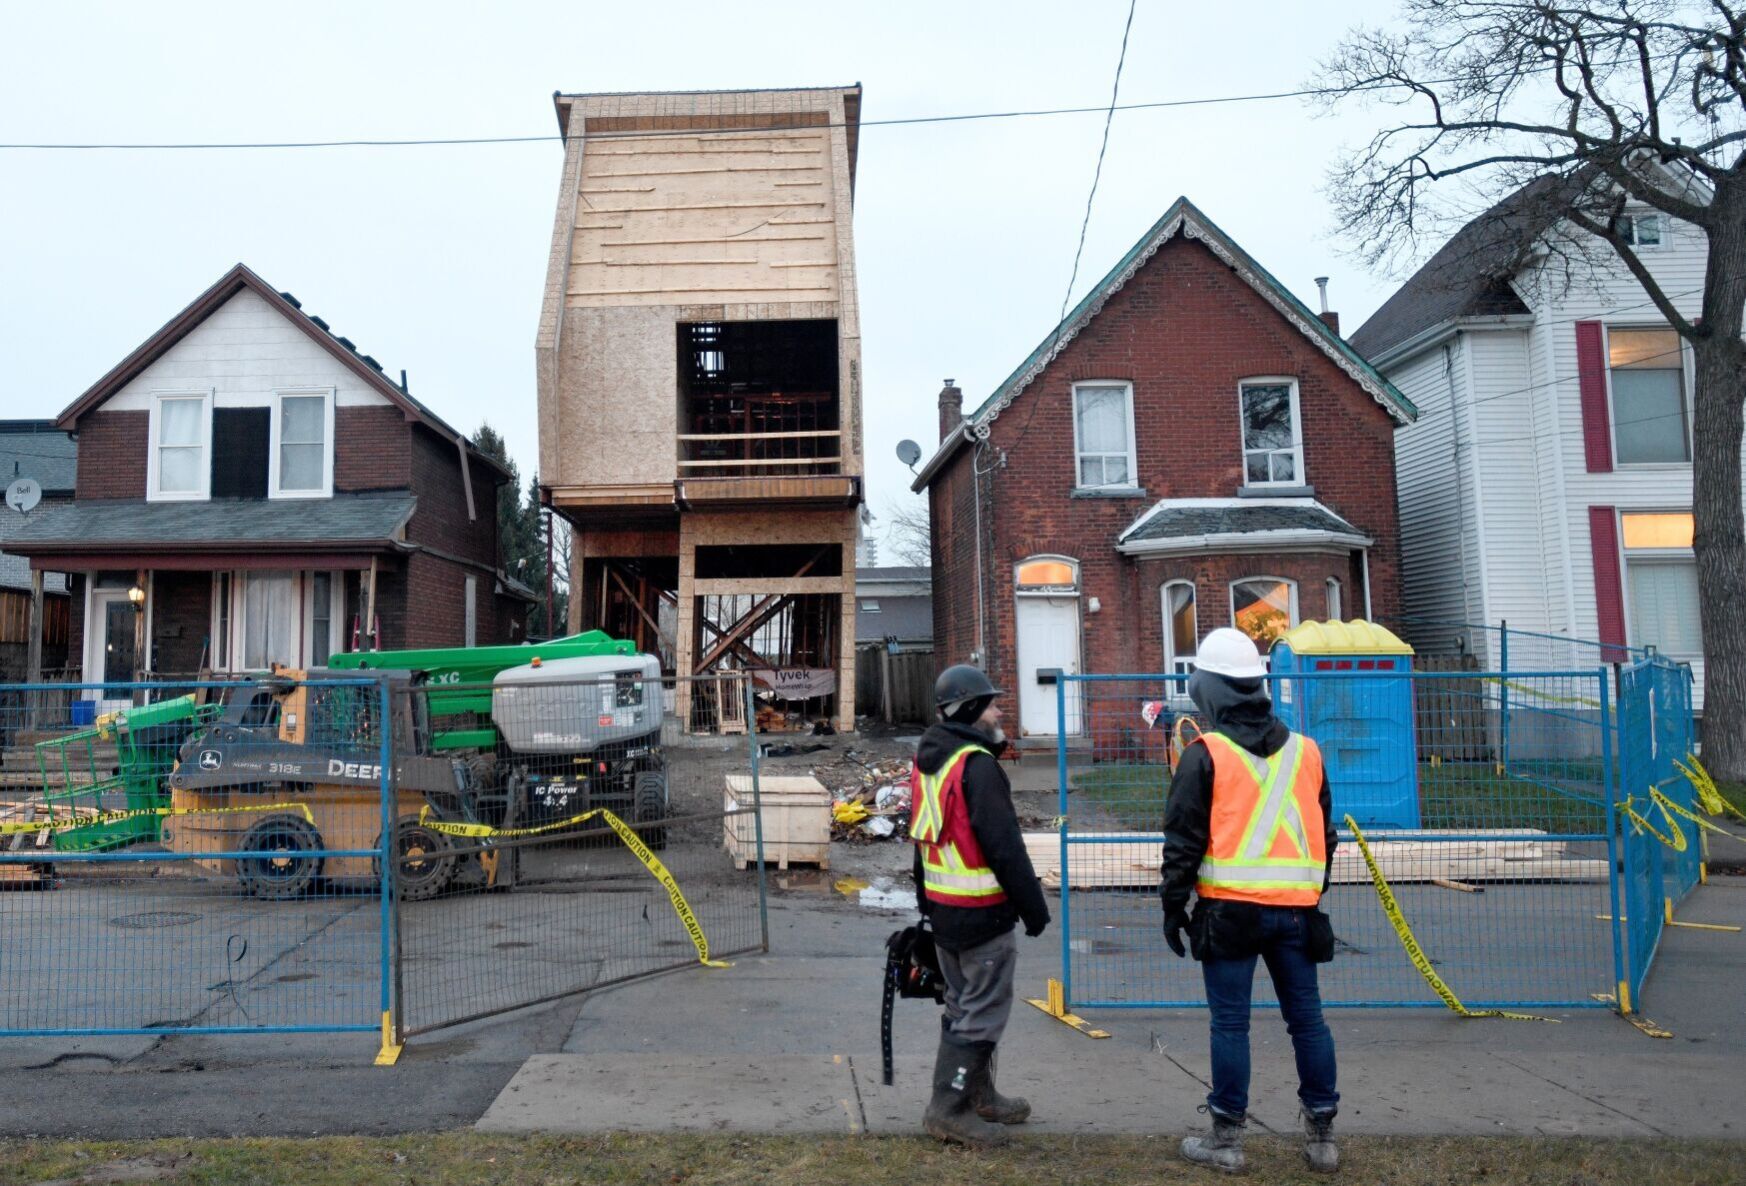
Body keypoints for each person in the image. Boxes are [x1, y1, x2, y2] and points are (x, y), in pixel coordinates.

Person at [1160, 628, 1340, 1174]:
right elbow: (1324, 835)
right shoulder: (1306, 752)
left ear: (1211, 690)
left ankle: (1226, 1139)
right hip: (1297, 914)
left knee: (1230, 1025)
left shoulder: (1204, 754)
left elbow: (1183, 840)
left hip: (1230, 915)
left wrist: (1173, 907)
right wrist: (1309, 890)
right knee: (1307, 1022)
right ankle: (1322, 1137)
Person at [908, 663, 1050, 1149]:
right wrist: (1034, 908)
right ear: (970, 711)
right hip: (981, 914)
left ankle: (978, 1095)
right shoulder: (976, 765)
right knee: (982, 1012)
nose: (999, 709)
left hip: (946, 912)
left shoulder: (931, 760)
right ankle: (949, 1110)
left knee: (962, 1005)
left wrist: (925, 904)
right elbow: (1004, 846)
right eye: (990, 703)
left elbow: (920, 839)